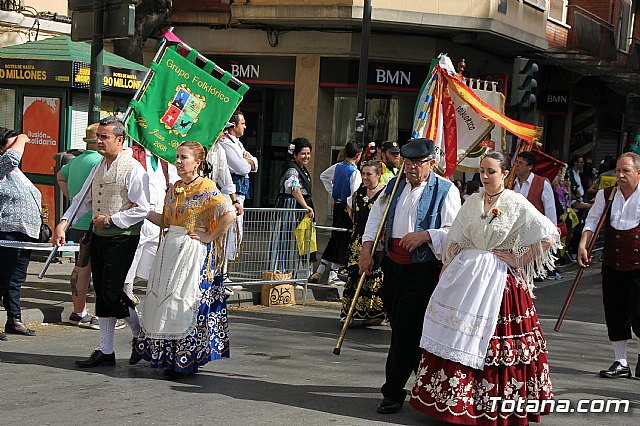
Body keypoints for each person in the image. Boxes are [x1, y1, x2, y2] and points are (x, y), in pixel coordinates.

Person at [410, 151, 559, 425]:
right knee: (455, 335)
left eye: (491, 171)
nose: (486, 176)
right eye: (482, 171)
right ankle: (453, 401)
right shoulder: (473, 201)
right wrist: (447, 269)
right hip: (466, 276)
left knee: (494, 342)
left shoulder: (515, 202)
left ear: (504, 174)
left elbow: (549, 233)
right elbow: (455, 238)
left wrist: (520, 258)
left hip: (498, 279)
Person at [359, 138, 461, 414]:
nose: (412, 169)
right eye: (408, 163)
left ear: (431, 163)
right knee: (404, 328)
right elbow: (375, 218)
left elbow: (454, 231)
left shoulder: (446, 190)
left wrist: (426, 235)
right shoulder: (393, 187)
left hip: (423, 269)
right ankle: (427, 384)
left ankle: (392, 391)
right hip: (393, 266)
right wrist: (367, 249)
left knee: (405, 328)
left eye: (418, 163)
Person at [52, 116, 150, 368]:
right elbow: (82, 199)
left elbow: (142, 209)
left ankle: (140, 334)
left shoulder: (134, 169)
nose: (99, 141)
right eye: (98, 137)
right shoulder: (98, 167)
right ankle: (106, 351)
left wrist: (112, 219)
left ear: (120, 140)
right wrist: (63, 222)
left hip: (123, 237)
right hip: (99, 237)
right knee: (103, 294)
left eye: (104, 137)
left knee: (112, 291)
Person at [134, 141, 235, 378]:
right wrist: (144, 211)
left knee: (183, 303)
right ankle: (169, 358)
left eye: (183, 157)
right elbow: (167, 222)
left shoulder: (206, 186)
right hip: (170, 249)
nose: (178, 162)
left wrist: (209, 236)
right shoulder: (175, 187)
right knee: (162, 303)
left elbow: (228, 212)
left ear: (197, 162)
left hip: (192, 251)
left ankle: (185, 360)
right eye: (177, 157)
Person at [578, 152, 640, 379]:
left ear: (638, 173)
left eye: (626, 171)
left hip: (639, 265)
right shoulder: (607, 195)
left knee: (639, 314)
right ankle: (620, 362)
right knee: (615, 313)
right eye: (618, 171)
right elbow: (592, 220)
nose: (620, 175)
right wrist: (583, 244)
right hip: (613, 262)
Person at [57, 123, 102, 328]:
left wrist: (71, 197)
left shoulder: (76, 161)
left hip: (77, 219)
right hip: (94, 221)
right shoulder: (101, 161)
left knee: (81, 265)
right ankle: (98, 315)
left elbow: (60, 176)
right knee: (100, 269)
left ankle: (78, 311)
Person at [124, 143, 178, 304]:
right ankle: (126, 288)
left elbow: (173, 183)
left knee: (155, 250)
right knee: (133, 251)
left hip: (158, 211)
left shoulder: (165, 158)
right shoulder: (132, 153)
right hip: (138, 210)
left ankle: (152, 288)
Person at [0, 129, 39, 339]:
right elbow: (11, 157)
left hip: (25, 233)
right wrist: (22, 137)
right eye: (12, 144)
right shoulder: (3, 165)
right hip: (7, 231)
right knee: (2, 278)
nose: (20, 148)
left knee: (15, 279)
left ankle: (14, 319)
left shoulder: (15, 172)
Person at [309, 141, 362, 285]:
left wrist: (333, 192)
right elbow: (353, 194)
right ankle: (333, 273)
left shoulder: (337, 166)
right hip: (346, 207)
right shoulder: (355, 172)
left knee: (334, 237)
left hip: (337, 205)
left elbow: (323, 176)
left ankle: (320, 270)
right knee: (342, 239)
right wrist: (352, 213)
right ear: (358, 155)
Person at [340, 160, 386, 326]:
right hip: (358, 239)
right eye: (363, 173)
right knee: (354, 275)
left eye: (369, 174)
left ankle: (374, 314)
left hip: (376, 241)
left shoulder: (385, 194)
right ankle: (351, 312)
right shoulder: (360, 192)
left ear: (378, 175)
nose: (365, 177)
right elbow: (350, 206)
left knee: (373, 276)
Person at [218, 110, 258, 281]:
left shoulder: (238, 144)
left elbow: (254, 163)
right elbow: (242, 168)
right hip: (228, 194)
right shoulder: (225, 143)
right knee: (228, 233)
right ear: (233, 125)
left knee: (235, 234)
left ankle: (224, 272)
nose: (245, 126)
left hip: (239, 194)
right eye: (242, 123)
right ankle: (221, 273)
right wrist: (248, 162)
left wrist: (249, 161)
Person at [272, 137, 315, 272]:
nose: (306, 156)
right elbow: (293, 187)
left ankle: (296, 273)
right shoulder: (292, 169)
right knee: (286, 239)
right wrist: (305, 206)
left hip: (297, 208)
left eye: (308, 153)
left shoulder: (302, 168)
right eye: (303, 153)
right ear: (295, 154)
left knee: (300, 241)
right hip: (290, 207)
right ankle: (282, 272)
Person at [513, 151, 557, 225]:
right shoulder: (511, 183)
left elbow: (550, 211)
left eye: (520, 163)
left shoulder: (542, 184)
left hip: (535, 231)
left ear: (530, 167)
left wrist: (552, 232)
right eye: (516, 162)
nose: (516, 165)